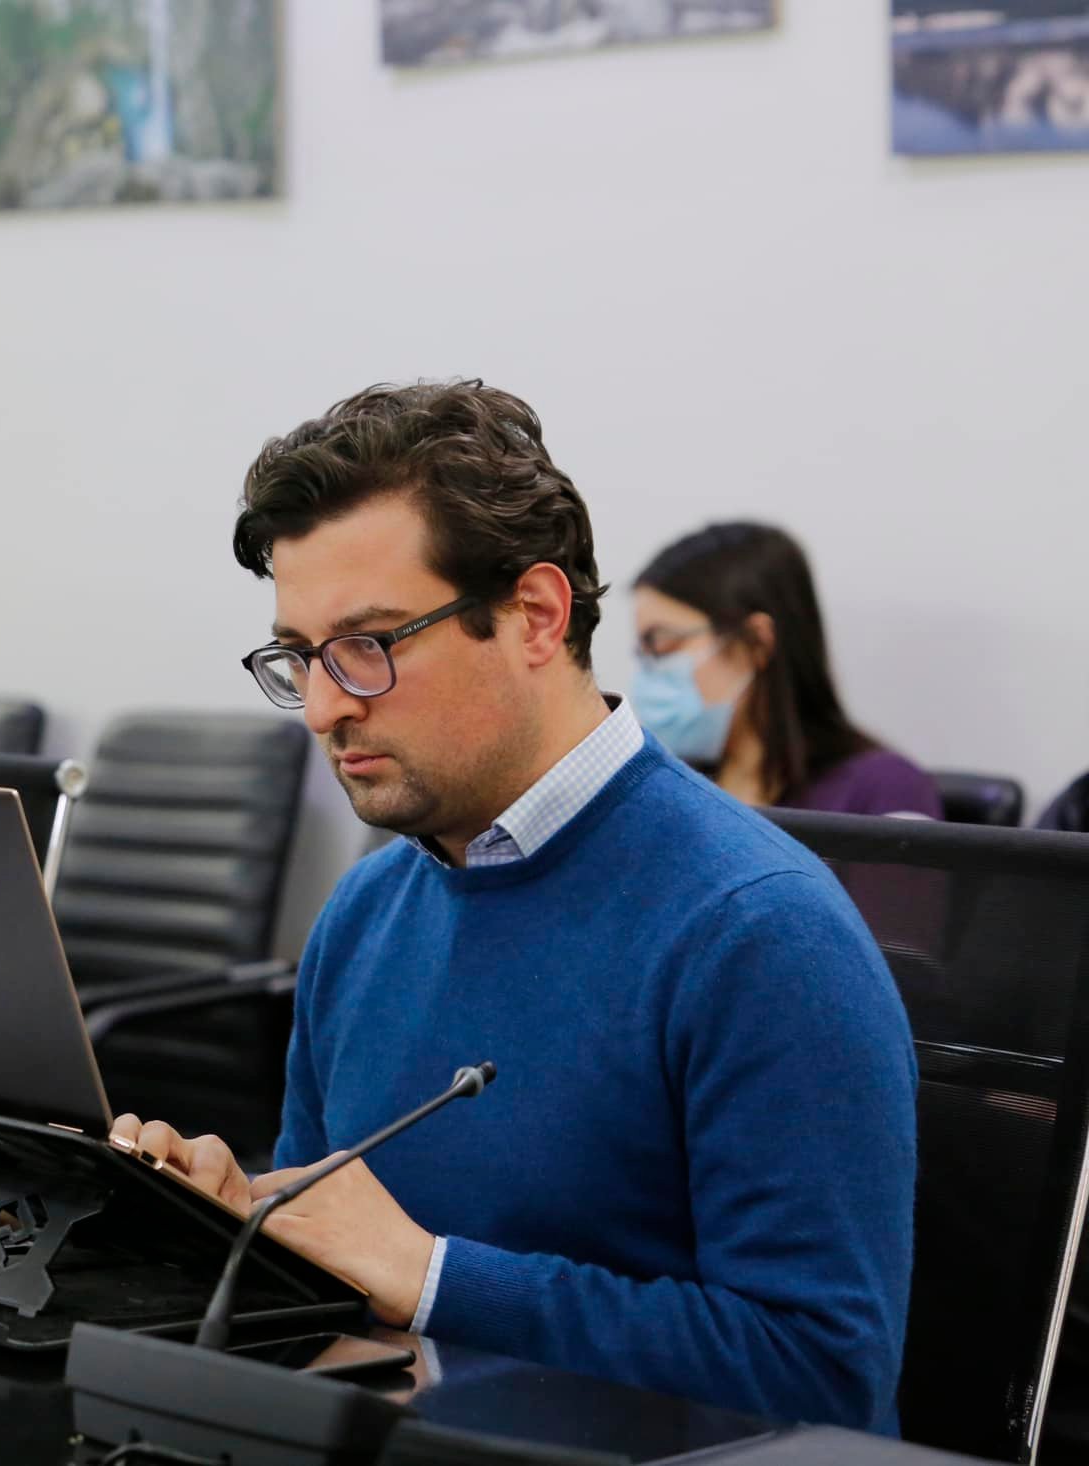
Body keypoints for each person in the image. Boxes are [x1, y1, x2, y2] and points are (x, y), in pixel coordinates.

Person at [111, 382, 917, 1431]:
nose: (321, 706)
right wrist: (233, 1227)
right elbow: (334, 1262)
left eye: (367, 645)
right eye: (298, 656)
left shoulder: (760, 931)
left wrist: (434, 1277)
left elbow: (822, 1375)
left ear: (535, 615)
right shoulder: (363, 912)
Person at [630, 522, 940, 818]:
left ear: (756, 643)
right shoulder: (671, 792)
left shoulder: (885, 789)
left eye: (661, 642)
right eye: (641, 650)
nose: (647, 669)